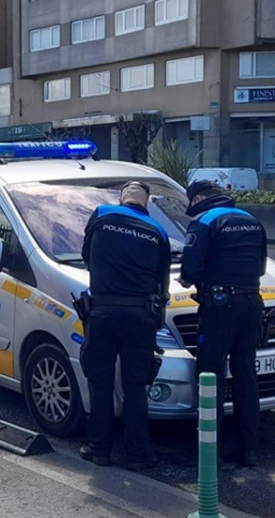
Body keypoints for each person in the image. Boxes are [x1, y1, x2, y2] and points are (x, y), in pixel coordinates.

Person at [78, 181, 171, 471]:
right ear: (147, 202)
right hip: (140, 316)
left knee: (101, 383)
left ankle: (100, 450)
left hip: (103, 312)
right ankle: (139, 454)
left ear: (122, 199)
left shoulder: (102, 214)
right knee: (135, 386)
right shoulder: (158, 231)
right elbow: (162, 283)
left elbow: (86, 256)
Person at [179, 181, 268, 467]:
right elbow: (262, 267)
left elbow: (190, 270)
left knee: (210, 375)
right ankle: (249, 449)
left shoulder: (204, 221)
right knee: (245, 374)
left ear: (200, 198)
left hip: (219, 307)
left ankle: (209, 451)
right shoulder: (251, 220)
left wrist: (188, 280)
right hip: (252, 303)